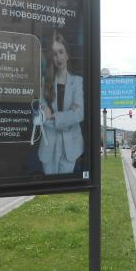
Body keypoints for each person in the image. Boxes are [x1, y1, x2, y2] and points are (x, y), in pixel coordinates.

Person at [38, 33, 84, 174]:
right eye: (54, 53)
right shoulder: (45, 82)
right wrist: (67, 118)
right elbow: (41, 117)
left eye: (61, 52)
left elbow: (79, 114)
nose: (58, 57)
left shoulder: (77, 82)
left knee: (66, 184)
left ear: (67, 54)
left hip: (71, 147)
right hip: (49, 145)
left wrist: (53, 116)